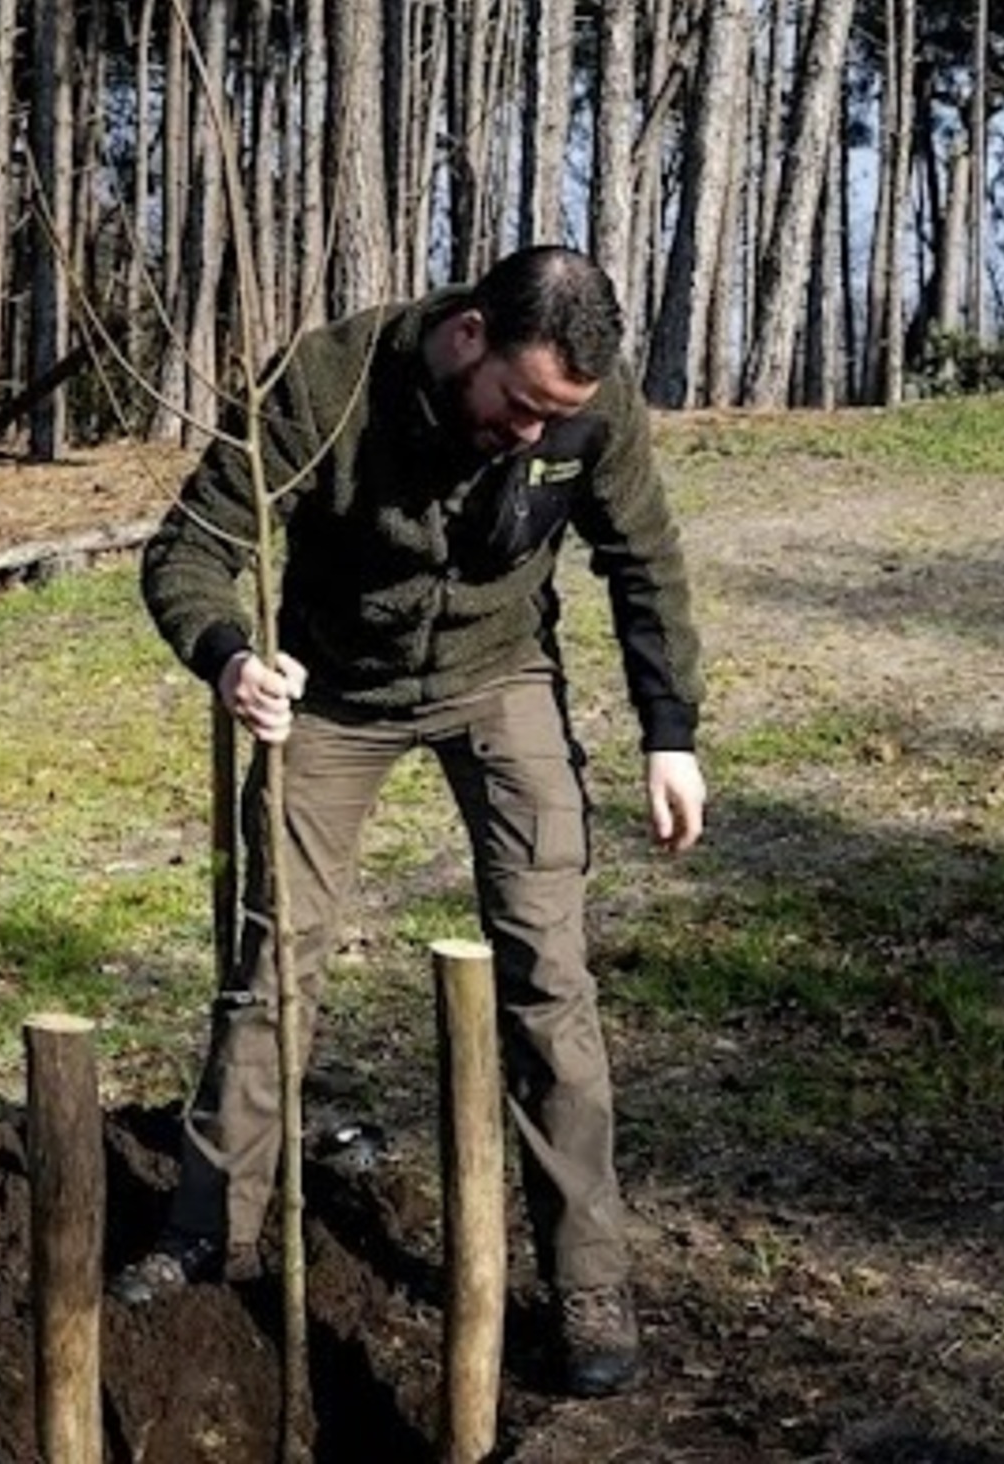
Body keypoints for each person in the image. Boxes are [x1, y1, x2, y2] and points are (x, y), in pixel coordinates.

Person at [115, 244, 705, 1404]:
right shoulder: (324, 383)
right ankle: (210, 1230)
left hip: (501, 674)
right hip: (333, 692)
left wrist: (669, 731)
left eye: (558, 417)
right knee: (274, 960)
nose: (534, 434)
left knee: (548, 974)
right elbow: (192, 548)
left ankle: (587, 1279)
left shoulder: (589, 407)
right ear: (468, 334)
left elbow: (644, 558)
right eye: (521, 405)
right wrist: (231, 659)